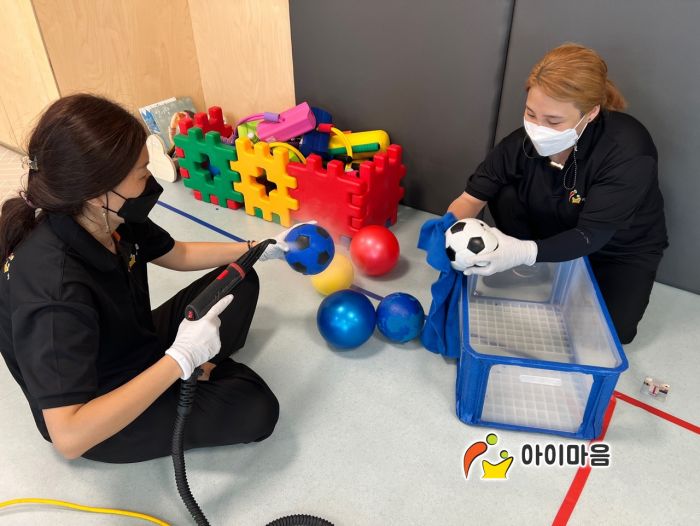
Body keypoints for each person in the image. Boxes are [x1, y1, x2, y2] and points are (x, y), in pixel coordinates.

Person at [0, 94, 291, 463]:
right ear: (97, 193)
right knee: (255, 408)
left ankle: (188, 368)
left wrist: (258, 248)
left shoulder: (109, 215)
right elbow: (69, 437)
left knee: (239, 280)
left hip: (129, 343)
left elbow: (177, 253)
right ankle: (187, 370)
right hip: (98, 415)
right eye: (142, 173)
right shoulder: (54, 291)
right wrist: (180, 359)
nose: (151, 180)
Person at [448, 43, 668, 344]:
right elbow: (471, 199)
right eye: (530, 113)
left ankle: (542, 263)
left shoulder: (628, 150)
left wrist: (520, 251)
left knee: (610, 335)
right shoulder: (519, 144)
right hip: (555, 224)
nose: (537, 128)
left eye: (553, 121)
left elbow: (591, 235)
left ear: (591, 112)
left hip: (617, 248)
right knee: (505, 190)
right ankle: (533, 270)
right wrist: (446, 233)